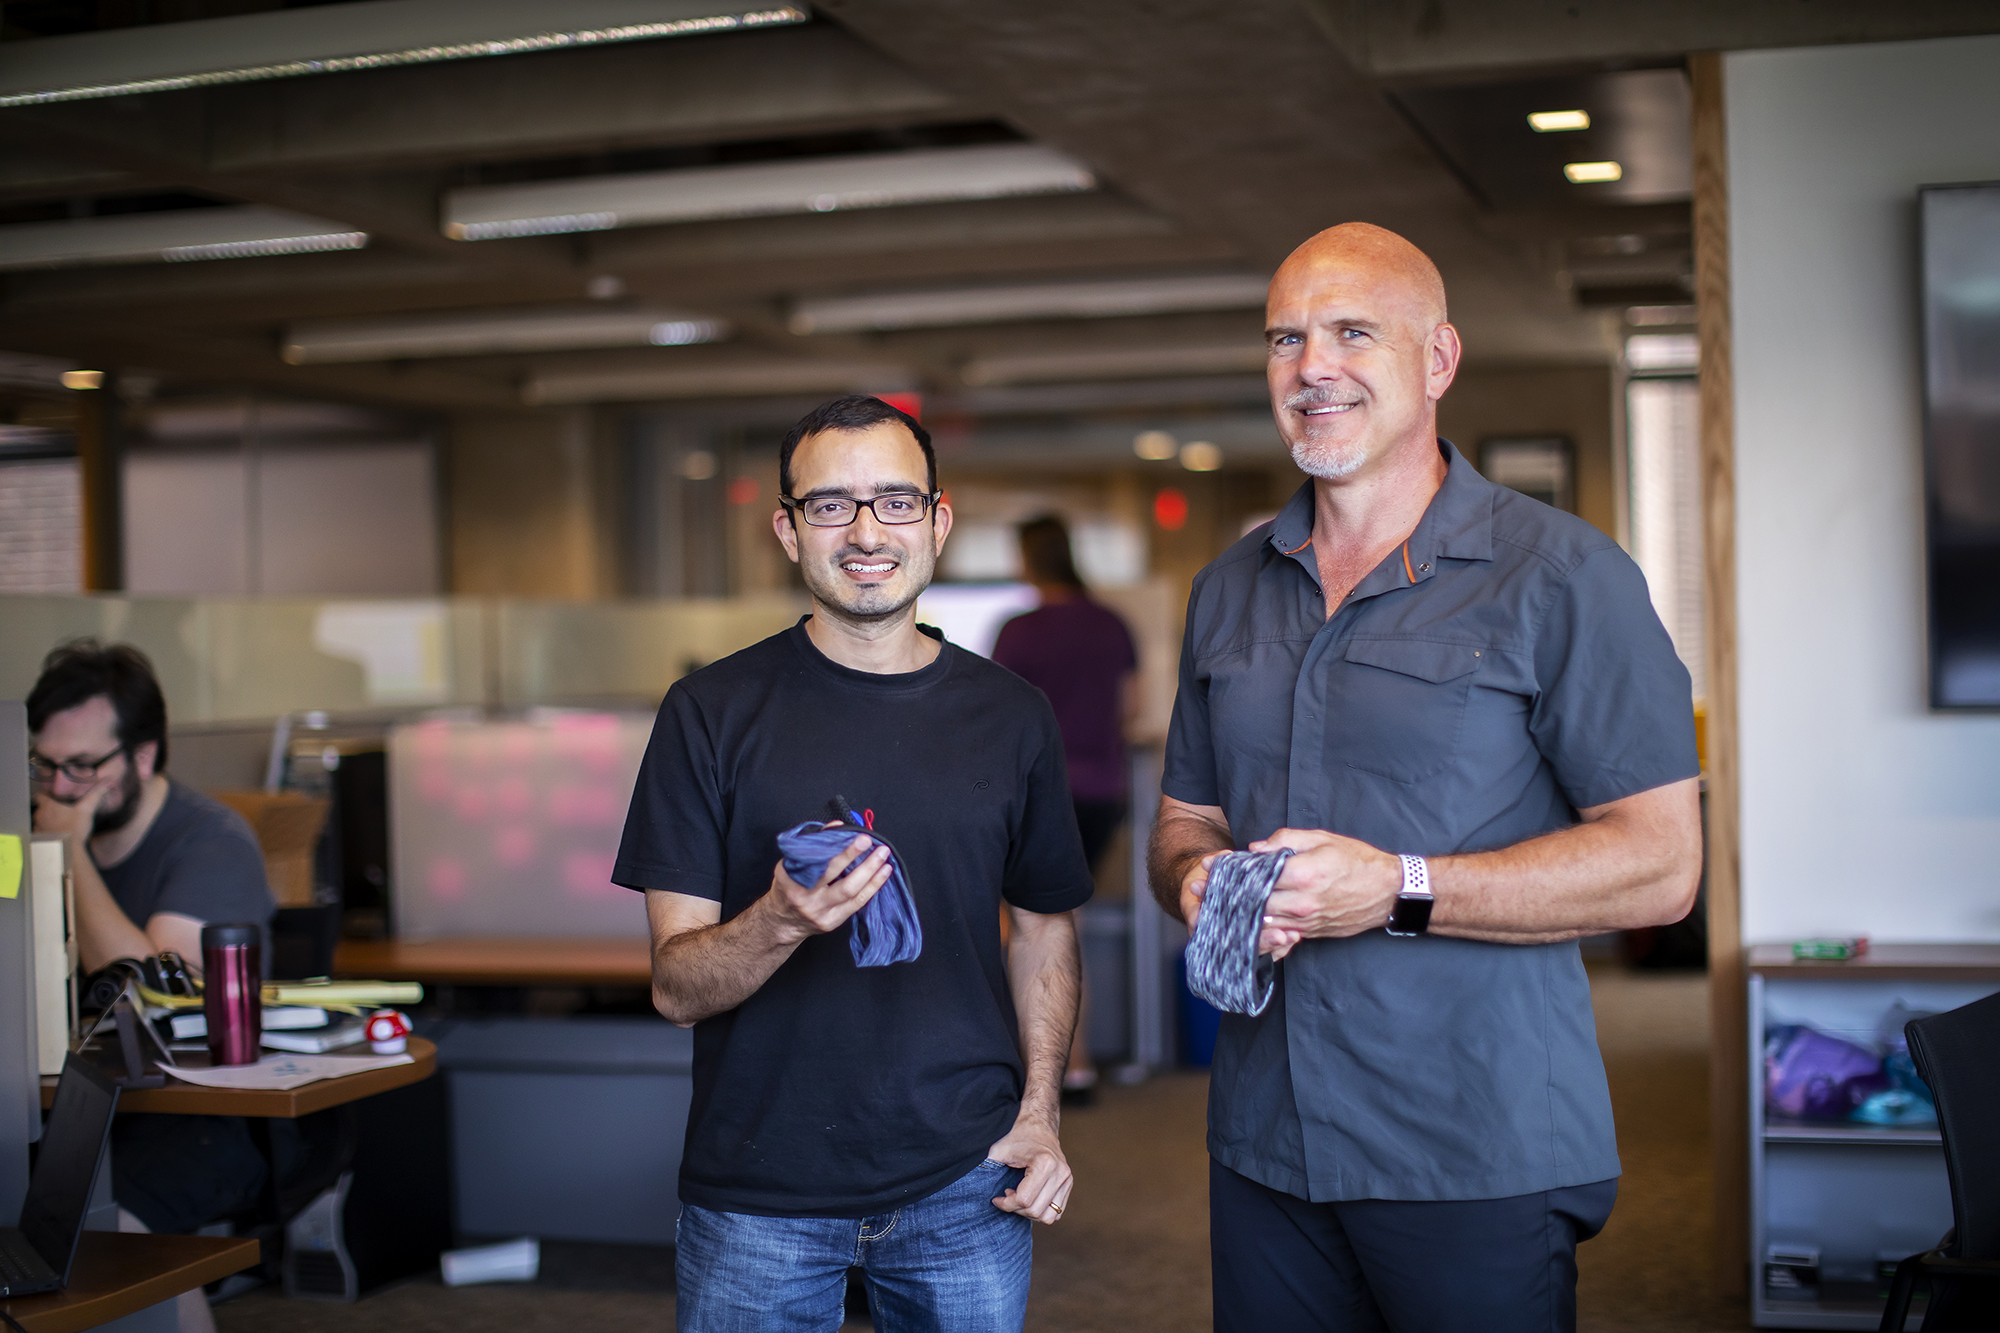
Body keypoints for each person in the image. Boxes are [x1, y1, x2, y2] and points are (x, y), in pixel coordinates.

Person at [1147, 222, 1703, 1333]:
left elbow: (1659, 867)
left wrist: (1399, 885)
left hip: (1471, 1141)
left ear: (1436, 360)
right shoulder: (1227, 589)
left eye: (1353, 332)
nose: (1312, 367)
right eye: (1284, 340)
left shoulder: (1563, 576)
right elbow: (1183, 818)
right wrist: (1195, 880)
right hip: (1265, 1141)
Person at [613, 395, 1092, 1333]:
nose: (867, 530)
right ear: (788, 531)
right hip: (757, 1191)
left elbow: (1043, 927)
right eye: (831, 505)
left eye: (896, 502)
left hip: (964, 1181)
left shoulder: (1012, 714)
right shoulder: (709, 712)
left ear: (938, 523)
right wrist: (781, 919)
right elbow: (677, 986)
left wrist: (1041, 1113)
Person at [28, 640, 278, 1333]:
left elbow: (154, 998)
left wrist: (67, 852)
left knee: (106, 1238)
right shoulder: (22, 833)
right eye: (45, 764)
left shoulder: (210, 842)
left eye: (82, 766)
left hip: (192, 1120)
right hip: (70, 1111)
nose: (59, 788)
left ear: (142, 756)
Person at [991, 515, 1138, 1100]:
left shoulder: (1019, 632)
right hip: (1104, 793)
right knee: (1065, 924)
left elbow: (997, 721)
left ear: (1029, 559)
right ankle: (1074, 1066)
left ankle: (1059, 1070)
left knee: (1038, 928)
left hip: (1041, 794)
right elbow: (1132, 708)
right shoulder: (1110, 625)